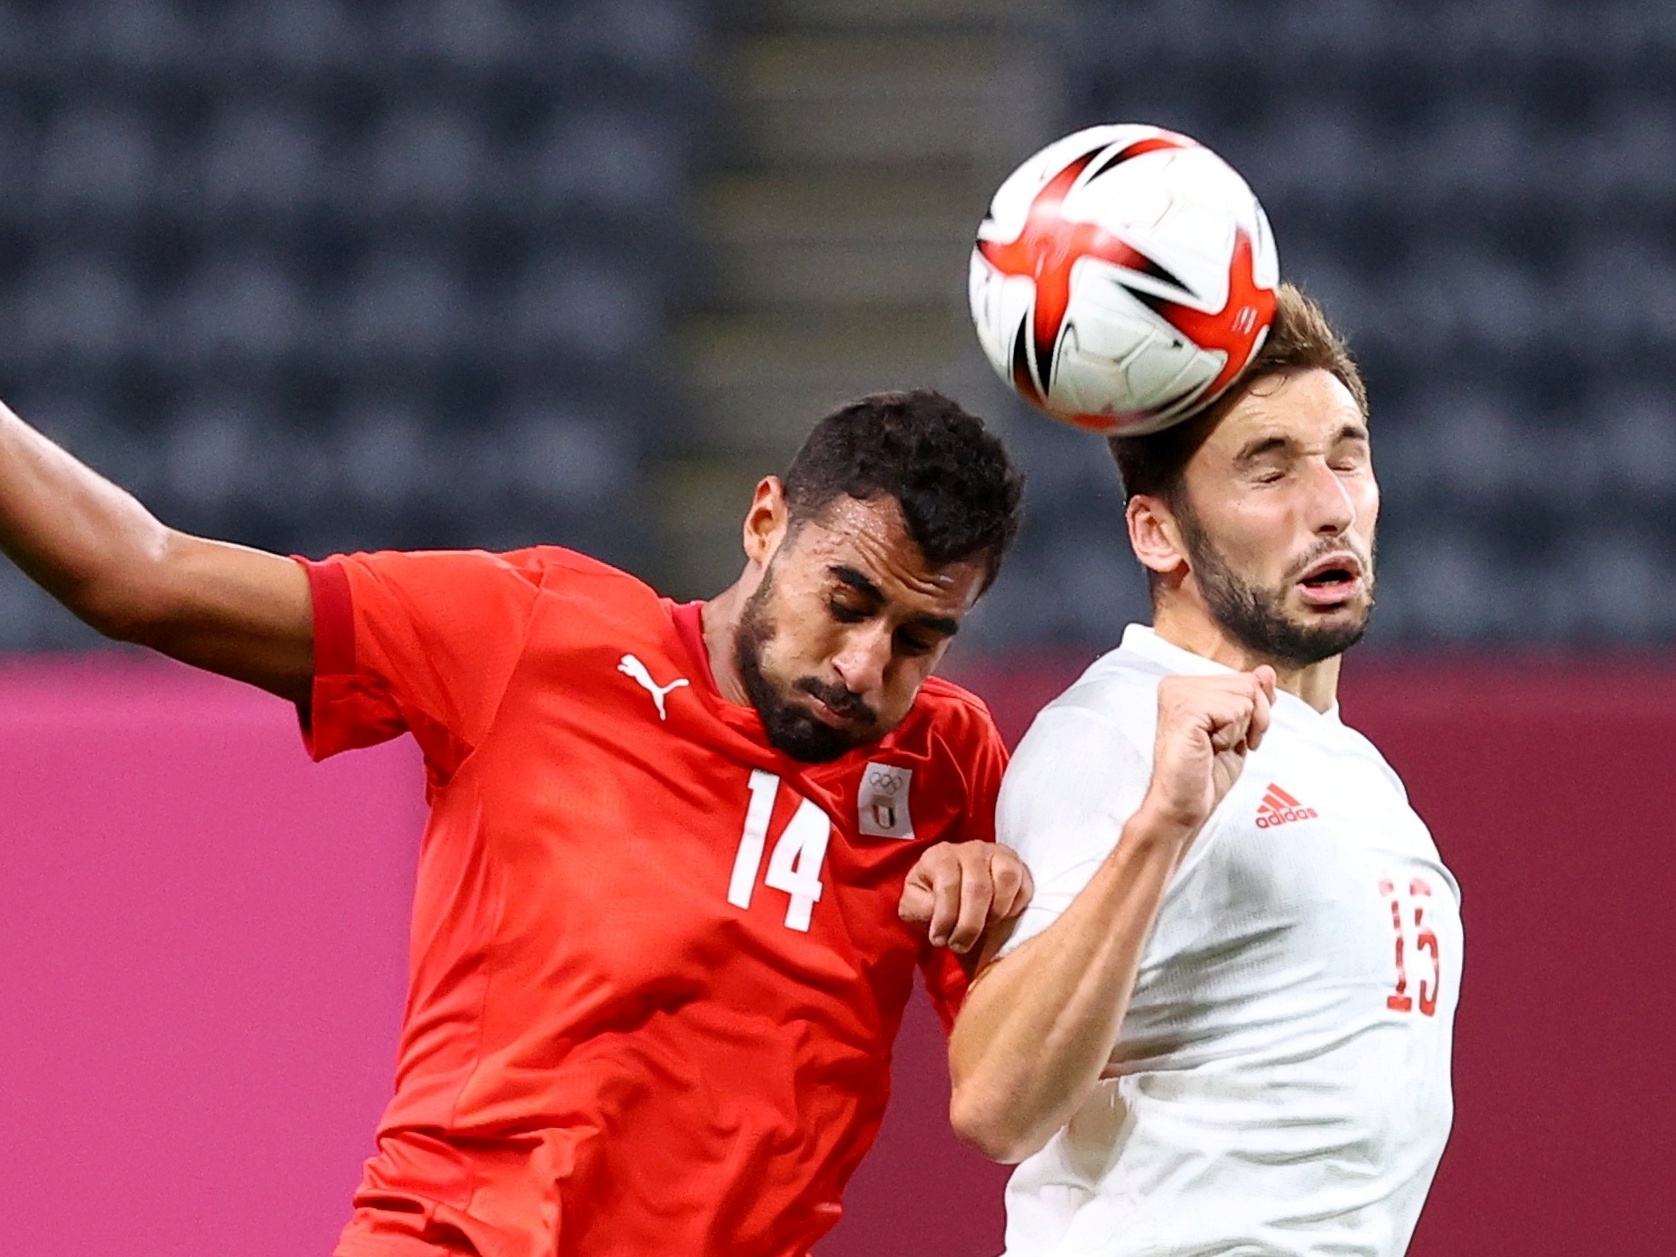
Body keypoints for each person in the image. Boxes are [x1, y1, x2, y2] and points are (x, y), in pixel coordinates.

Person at [0, 387, 1034, 1257]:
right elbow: (138, 577)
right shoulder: (532, 633)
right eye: (845, 600)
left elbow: (1015, 1092)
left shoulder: (944, 763)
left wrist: (1014, 892)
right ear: (765, 522)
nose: (864, 667)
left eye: (919, 638)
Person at [948, 286, 1462, 1257]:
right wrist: (1155, 831)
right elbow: (994, 1103)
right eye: (1266, 473)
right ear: (1158, 533)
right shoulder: (1116, 734)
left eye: (1345, 458)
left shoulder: (1352, 769)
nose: (1328, 507)